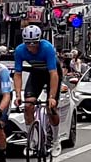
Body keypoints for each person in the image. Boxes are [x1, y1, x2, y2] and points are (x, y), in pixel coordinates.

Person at [12, 25, 60, 153]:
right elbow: (17, 74)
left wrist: (51, 97)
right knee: (28, 106)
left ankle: (55, 140)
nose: (31, 47)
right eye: (28, 43)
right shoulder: (20, 50)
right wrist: (17, 95)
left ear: (39, 40)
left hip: (52, 72)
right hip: (37, 73)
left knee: (51, 108)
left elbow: (53, 74)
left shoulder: (47, 48)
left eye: (34, 43)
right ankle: (32, 140)